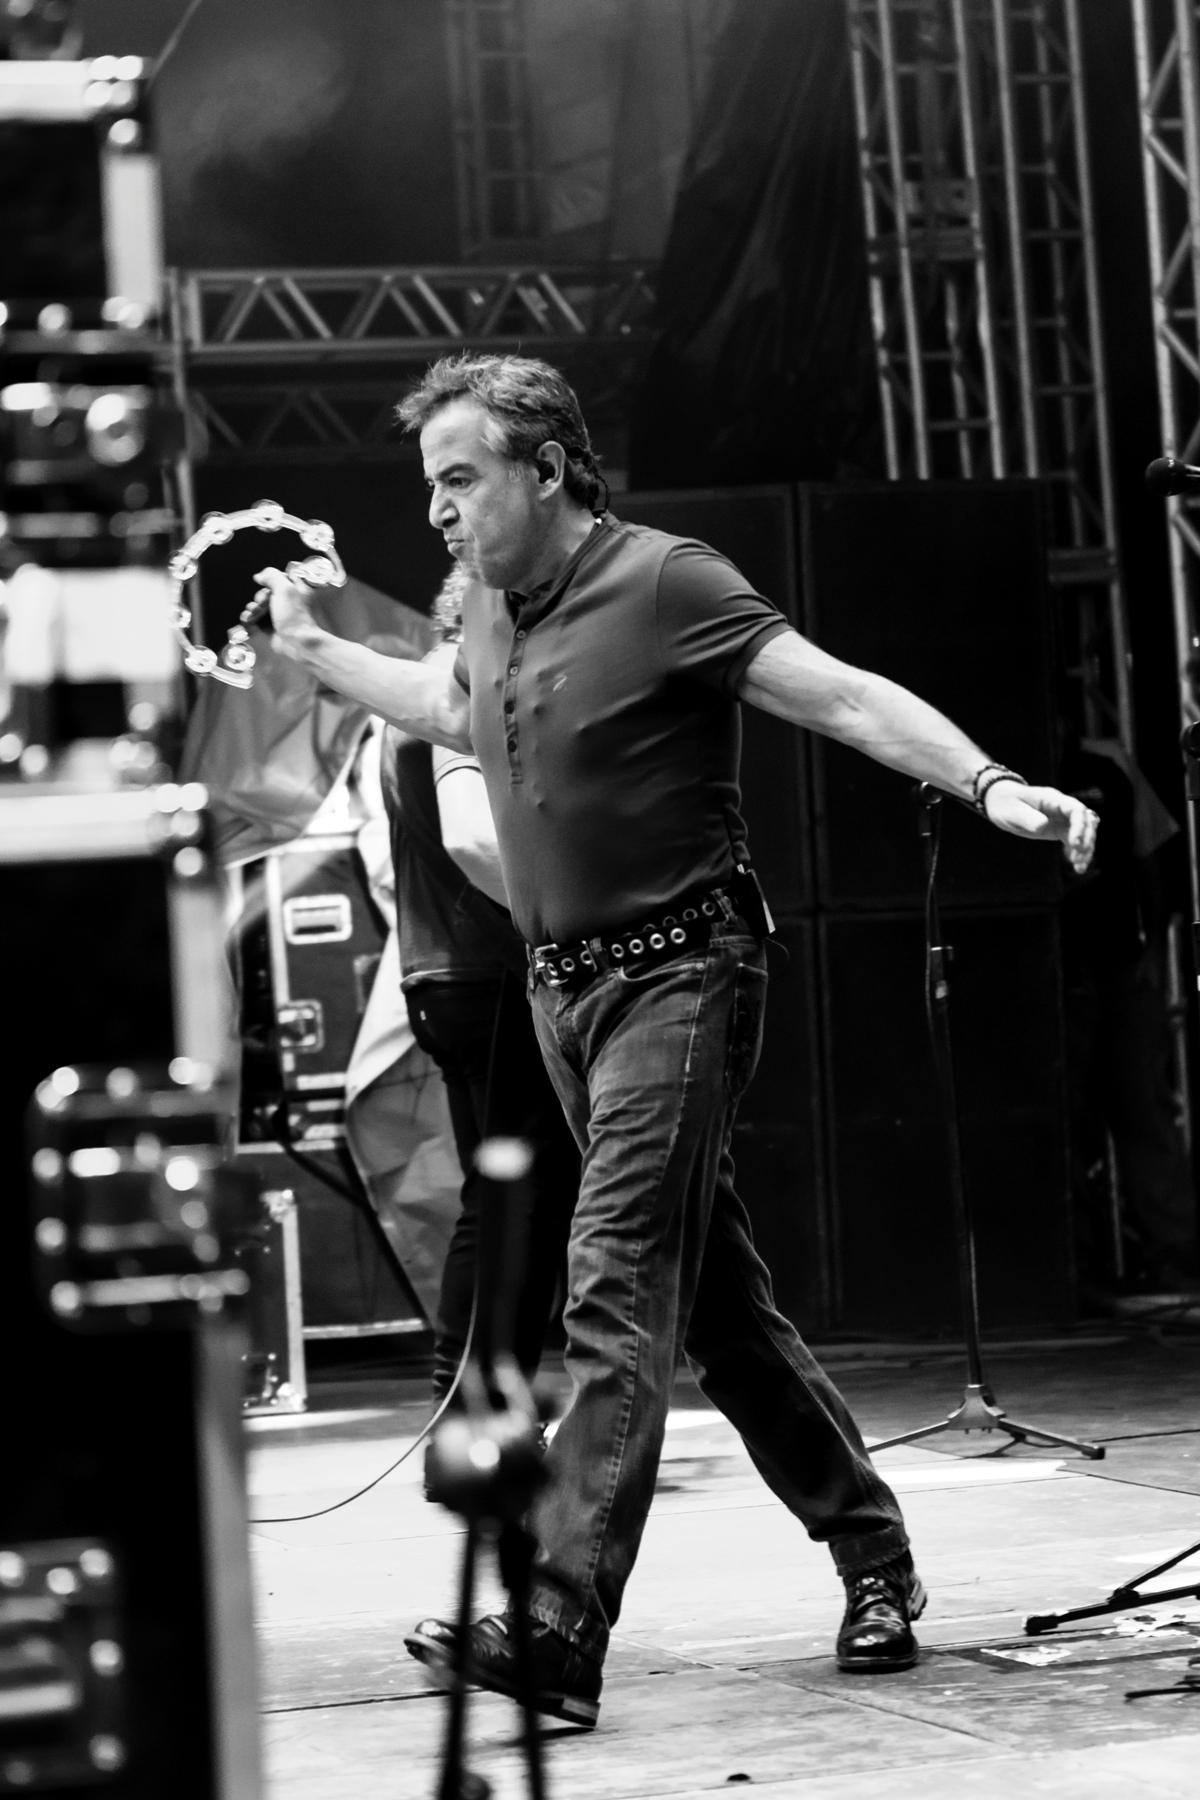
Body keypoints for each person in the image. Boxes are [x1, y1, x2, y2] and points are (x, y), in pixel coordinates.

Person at [255, 353, 1099, 1730]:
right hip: (562, 999)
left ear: (548, 469)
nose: (439, 512)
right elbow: (448, 708)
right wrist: (313, 652)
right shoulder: (496, 610)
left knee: (612, 1280)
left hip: (681, 976)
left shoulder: (665, 581)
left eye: (461, 480)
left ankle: (557, 1622)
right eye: (431, 487)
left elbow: (840, 695)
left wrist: (991, 783)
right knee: (720, 1315)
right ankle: (874, 1555)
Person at [379, 569, 580, 1401]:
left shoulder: (413, 696)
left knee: (504, 1191)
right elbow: (470, 843)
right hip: (486, 970)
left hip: (445, 975)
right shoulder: (455, 694)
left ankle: (477, 1397)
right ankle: (474, 1401)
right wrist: (569, 918)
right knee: (517, 1198)